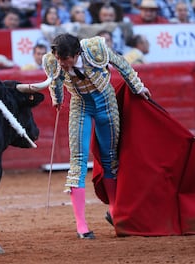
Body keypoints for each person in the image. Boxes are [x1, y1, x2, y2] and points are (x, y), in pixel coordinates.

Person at [42, 33, 151, 239]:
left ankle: (115, 212)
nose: (61, 64)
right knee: (78, 161)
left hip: (105, 104)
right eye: (58, 59)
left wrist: (138, 88)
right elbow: (55, 80)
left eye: (65, 60)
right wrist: (57, 98)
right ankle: (82, 225)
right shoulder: (52, 60)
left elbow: (122, 65)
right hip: (80, 105)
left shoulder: (95, 49)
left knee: (110, 157)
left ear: (77, 54)